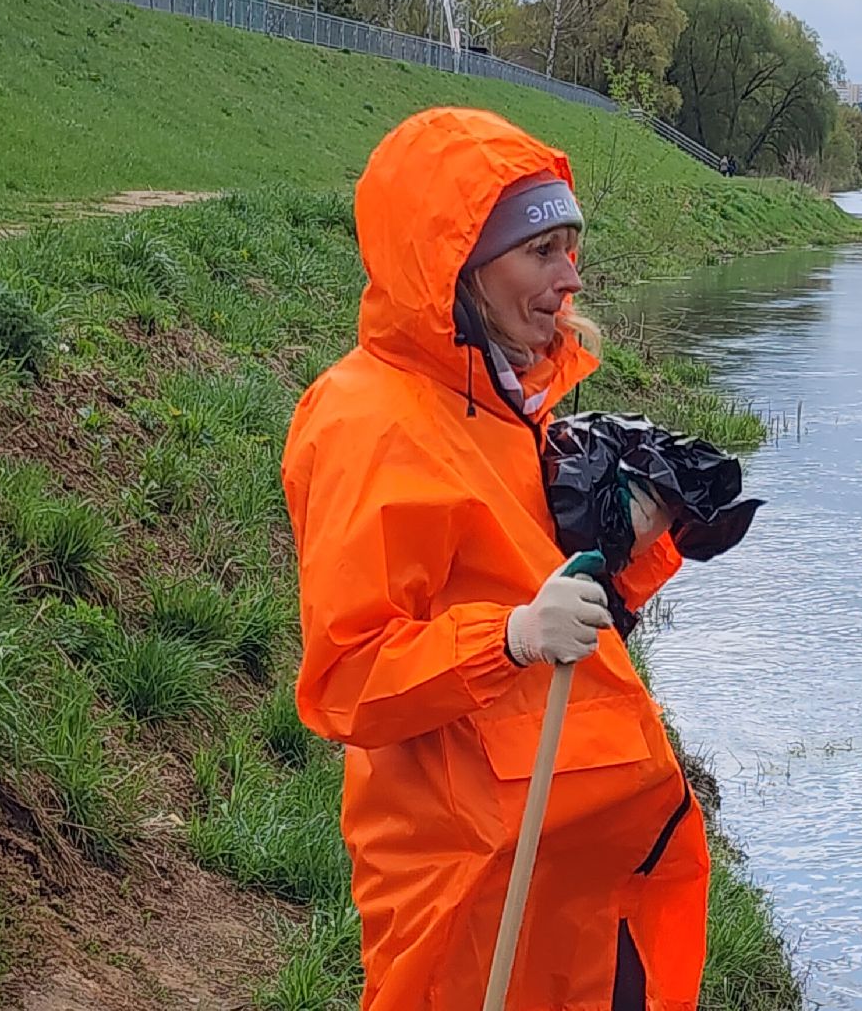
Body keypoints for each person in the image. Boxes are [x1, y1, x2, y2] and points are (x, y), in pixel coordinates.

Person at [282, 107, 706, 1011]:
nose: (568, 279)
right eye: (540, 251)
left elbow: (537, 579)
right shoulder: (367, 421)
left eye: (570, 246)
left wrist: (629, 540)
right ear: (459, 264)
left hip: (585, 855)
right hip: (469, 870)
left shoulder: (511, 396)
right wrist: (510, 639)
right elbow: (350, 678)